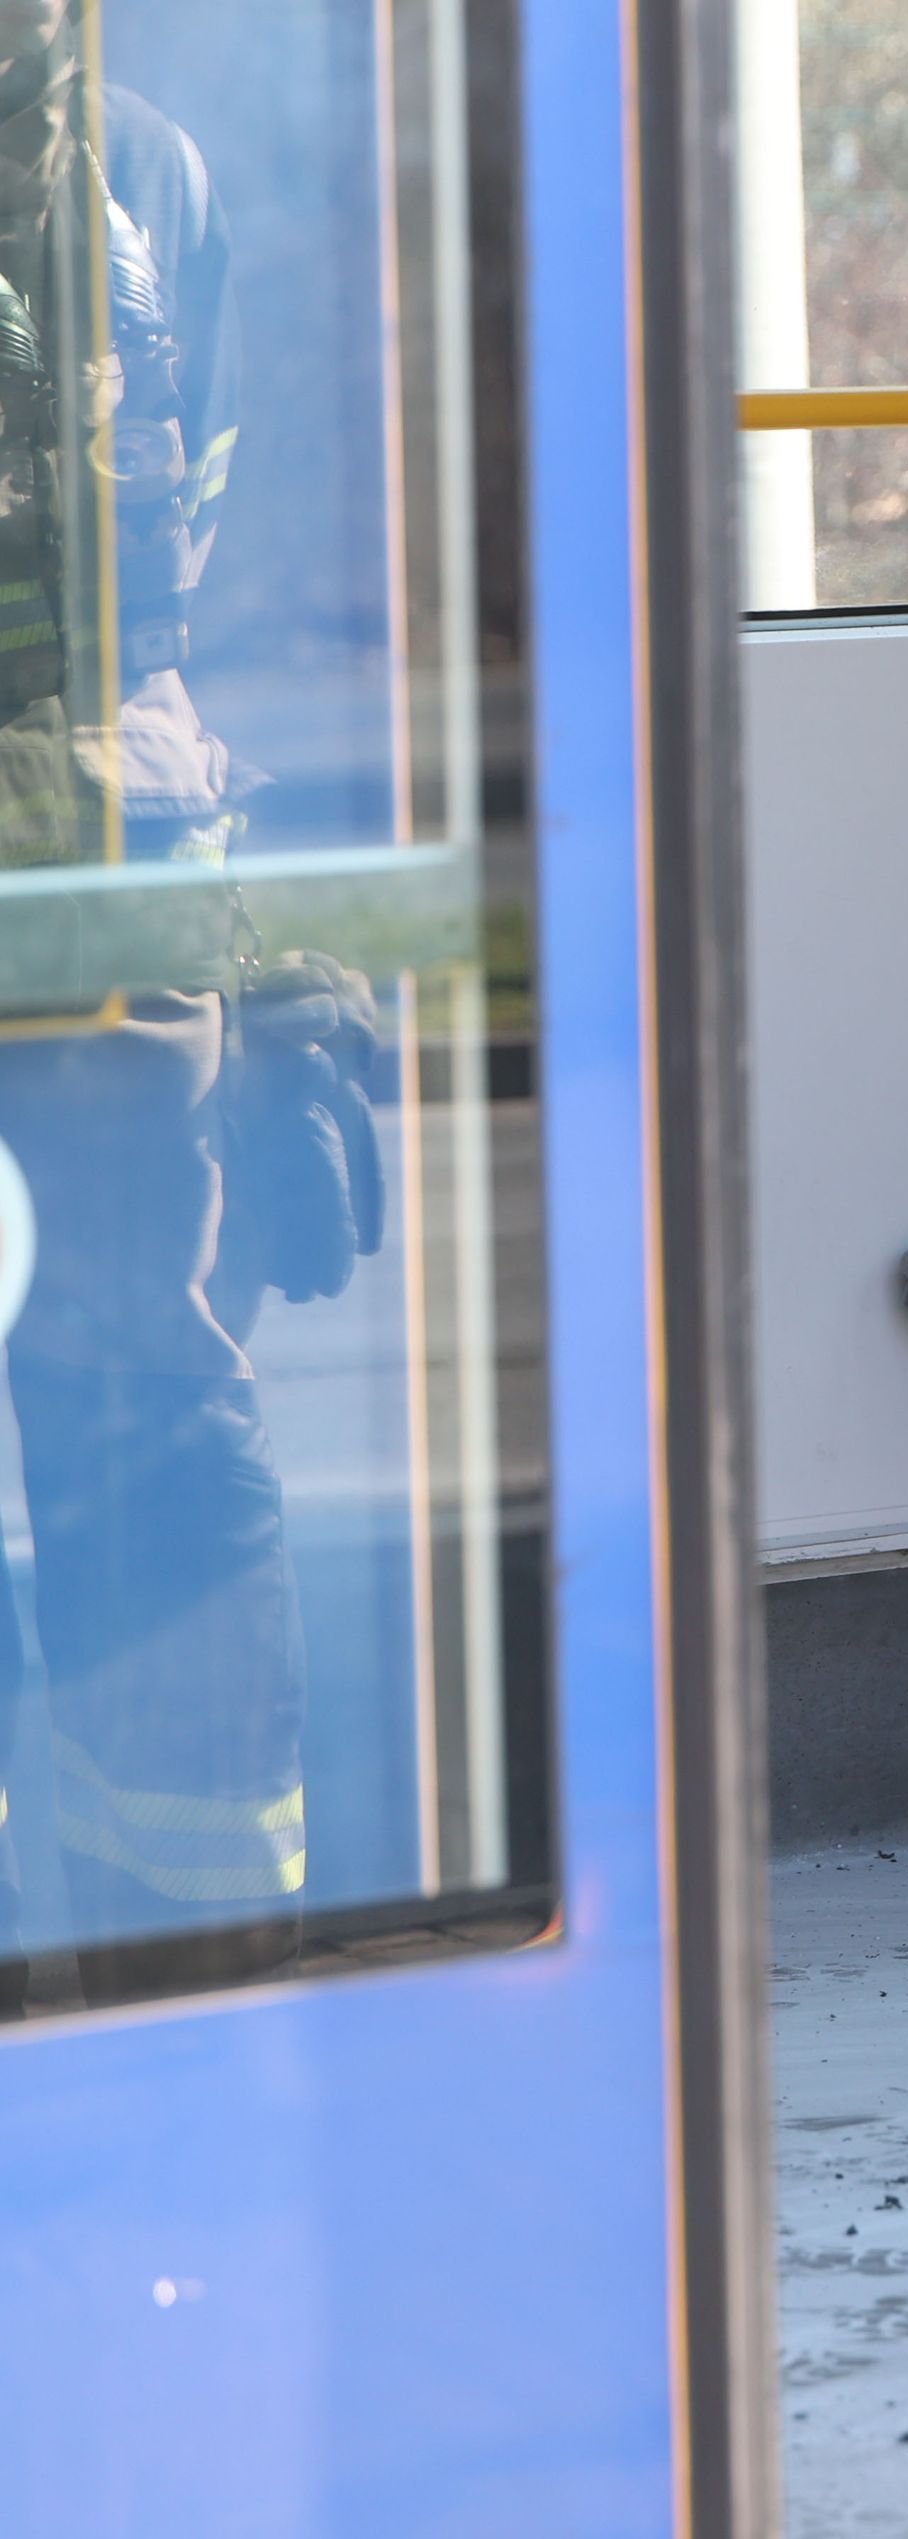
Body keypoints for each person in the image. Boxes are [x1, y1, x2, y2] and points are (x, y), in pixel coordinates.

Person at [0, 0, 304, 2008]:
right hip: (120, 833)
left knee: (128, 1362)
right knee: (139, 1366)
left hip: (98, 847)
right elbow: (199, 551)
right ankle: (196, 1929)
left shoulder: (137, 167)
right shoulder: (144, 162)